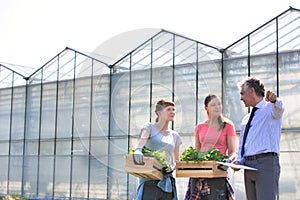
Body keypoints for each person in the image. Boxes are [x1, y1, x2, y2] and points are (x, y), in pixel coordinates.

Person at [233, 77, 284, 200]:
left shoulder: (270, 109)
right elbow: (243, 143)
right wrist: (239, 160)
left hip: (265, 163)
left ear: (251, 91)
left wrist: (274, 100)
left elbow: (279, 108)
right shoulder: (246, 118)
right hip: (248, 165)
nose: (241, 98)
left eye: (242, 93)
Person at [184, 94, 237, 200]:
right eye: (213, 105)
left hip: (217, 172)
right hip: (199, 173)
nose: (217, 107)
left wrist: (228, 160)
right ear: (206, 108)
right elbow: (197, 152)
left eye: (219, 104)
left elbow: (233, 151)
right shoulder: (199, 127)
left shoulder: (228, 126)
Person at [133, 98, 182, 200]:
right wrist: (138, 150)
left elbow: (177, 160)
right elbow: (142, 141)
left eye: (173, 109)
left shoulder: (175, 136)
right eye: (168, 109)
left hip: (167, 181)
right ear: (159, 112)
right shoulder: (149, 127)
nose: (172, 112)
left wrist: (173, 166)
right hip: (149, 179)